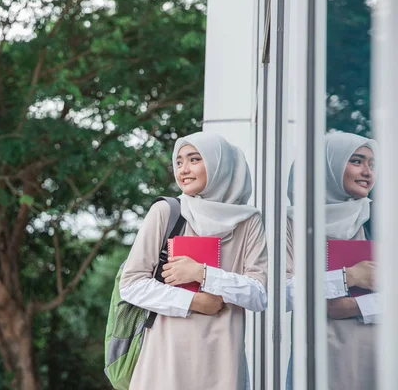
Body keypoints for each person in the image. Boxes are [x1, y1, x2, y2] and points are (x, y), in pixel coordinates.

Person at [119, 132, 268, 390]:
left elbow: (259, 295)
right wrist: (194, 301)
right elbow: (131, 284)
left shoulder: (249, 222)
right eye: (178, 162)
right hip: (165, 360)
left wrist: (203, 274)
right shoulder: (167, 211)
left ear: (220, 165)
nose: (183, 170)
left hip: (222, 363)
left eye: (194, 159)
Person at [286, 132, 379, 390]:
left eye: (372, 164)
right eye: (357, 161)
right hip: (317, 358)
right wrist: (350, 276)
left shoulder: (378, 219)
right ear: (328, 165)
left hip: (377, 356)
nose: (367, 172)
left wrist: (350, 307)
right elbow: (280, 293)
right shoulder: (293, 225)